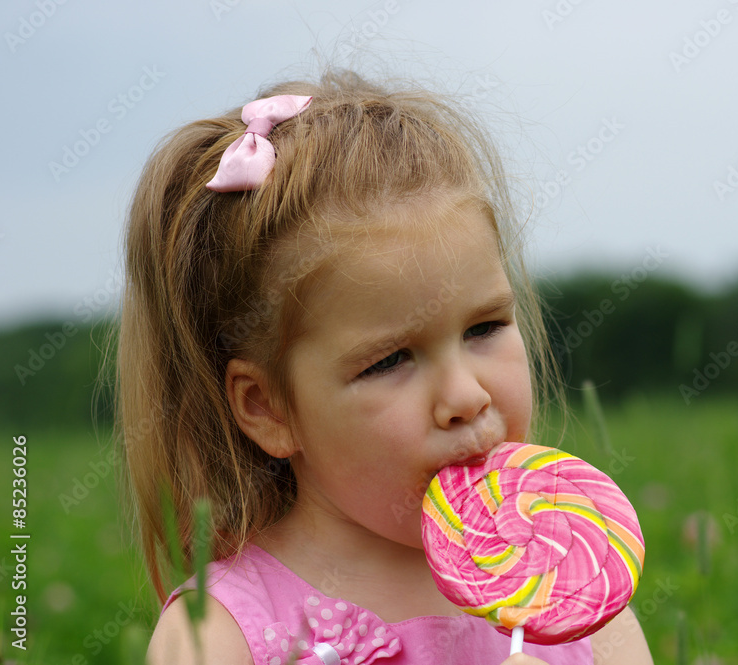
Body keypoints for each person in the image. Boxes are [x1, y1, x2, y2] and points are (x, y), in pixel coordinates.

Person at [116, 68, 653, 665]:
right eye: (391, 360)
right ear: (268, 407)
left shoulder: (577, 599)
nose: (465, 396)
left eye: (484, 328)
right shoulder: (219, 632)